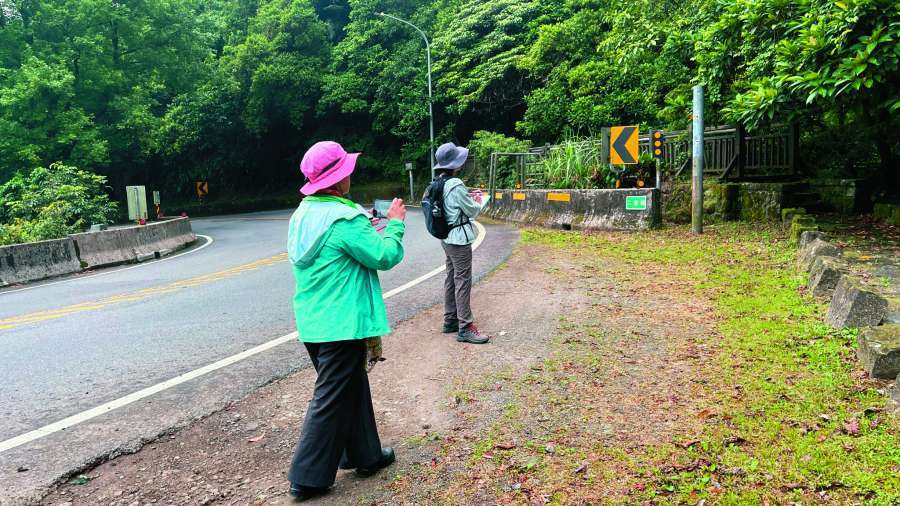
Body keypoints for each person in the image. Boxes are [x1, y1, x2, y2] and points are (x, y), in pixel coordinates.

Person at [286, 141, 406, 501]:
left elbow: (337, 244)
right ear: (339, 179)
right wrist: (395, 225)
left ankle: (366, 455)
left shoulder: (303, 214)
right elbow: (383, 256)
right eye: (347, 169)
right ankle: (307, 477)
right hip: (342, 322)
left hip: (313, 321)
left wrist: (364, 223)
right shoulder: (345, 219)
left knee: (349, 387)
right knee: (330, 398)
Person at [433, 142, 491, 345]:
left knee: (451, 277)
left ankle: (450, 320)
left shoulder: (438, 182)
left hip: (446, 237)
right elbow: (472, 211)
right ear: (455, 164)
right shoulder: (456, 184)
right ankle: (465, 327)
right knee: (463, 280)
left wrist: (468, 198)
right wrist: (477, 200)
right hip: (459, 240)